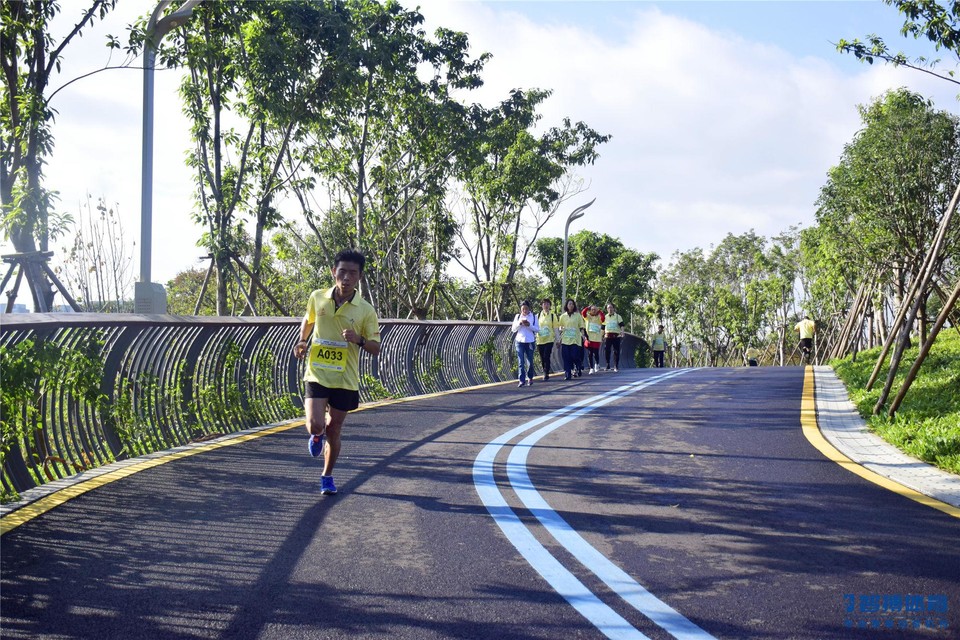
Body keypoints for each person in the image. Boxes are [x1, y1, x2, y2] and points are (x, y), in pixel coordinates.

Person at [293, 249, 381, 496]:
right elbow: (308, 320)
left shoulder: (365, 310)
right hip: (318, 372)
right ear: (334, 272)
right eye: (342, 271)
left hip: (345, 378)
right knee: (315, 424)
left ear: (359, 277)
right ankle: (316, 435)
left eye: (353, 273)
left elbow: (376, 348)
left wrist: (359, 339)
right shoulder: (317, 297)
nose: (346, 277)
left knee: (335, 429)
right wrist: (302, 341)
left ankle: (327, 476)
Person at [511, 300, 539, 387]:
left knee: (530, 361)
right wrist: (520, 323)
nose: (524, 310)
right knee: (521, 361)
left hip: (530, 341)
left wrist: (529, 325)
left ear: (529, 308)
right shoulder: (518, 316)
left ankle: (530, 378)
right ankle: (521, 380)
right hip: (519, 341)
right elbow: (513, 329)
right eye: (523, 309)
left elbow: (537, 329)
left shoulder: (533, 317)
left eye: (526, 308)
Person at [559, 298, 585, 381]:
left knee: (574, 355)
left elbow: (581, 327)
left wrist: (583, 335)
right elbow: (559, 326)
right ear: (566, 306)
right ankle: (567, 374)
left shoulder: (577, 316)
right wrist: (560, 329)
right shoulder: (563, 316)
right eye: (569, 304)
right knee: (566, 357)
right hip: (565, 339)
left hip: (575, 339)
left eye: (572, 304)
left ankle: (578, 365)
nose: (571, 305)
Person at [536, 298, 560, 381]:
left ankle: (546, 373)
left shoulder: (553, 316)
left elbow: (556, 328)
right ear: (542, 305)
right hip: (540, 340)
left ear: (550, 306)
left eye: (547, 304)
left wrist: (558, 340)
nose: (546, 305)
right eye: (544, 304)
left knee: (547, 355)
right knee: (542, 357)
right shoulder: (537, 316)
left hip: (549, 339)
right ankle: (544, 370)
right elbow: (534, 327)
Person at [582, 304, 605, 374]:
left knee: (596, 353)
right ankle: (591, 367)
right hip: (589, 338)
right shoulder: (588, 317)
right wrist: (587, 308)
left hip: (597, 338)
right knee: (590, 353)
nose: (594, 311)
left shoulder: (598, 317)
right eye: (592, 309)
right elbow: (583, 313)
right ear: (590, 310)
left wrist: (600, 311)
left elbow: (603, 319)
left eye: (595, 309)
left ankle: (597, 364)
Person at [602, 303, 624, 372]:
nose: (610, 309)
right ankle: (607, 365)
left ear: (614, 308)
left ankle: (616, 366)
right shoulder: (605, 317)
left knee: (616, 351)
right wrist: (601, 336)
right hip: (607, 336)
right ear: (607, 309)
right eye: (608, 308)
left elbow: (622, 325)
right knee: (607, 351)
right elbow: (603, 327)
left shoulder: (618, 316)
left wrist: (622, 332)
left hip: (616, 336)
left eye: (611, 308)